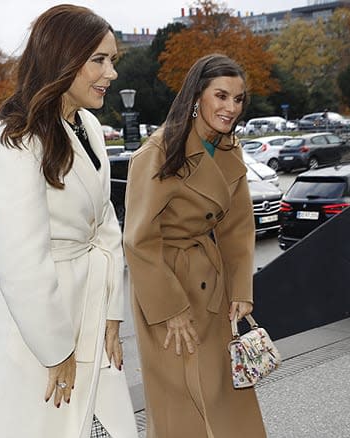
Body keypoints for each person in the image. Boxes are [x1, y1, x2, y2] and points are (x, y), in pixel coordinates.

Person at [0, 4, 138, 438]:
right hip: (38, 333)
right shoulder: (13, 140)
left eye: (113, 60)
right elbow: (19, 262)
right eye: (99, 60)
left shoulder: (89, 125)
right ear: (62, 59)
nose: (111, 73)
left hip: (91, 314)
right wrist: (56, 350)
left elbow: (107, 222)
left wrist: (113, 313)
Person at [123, 54, 266, 437]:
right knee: (180, 402)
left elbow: (238, 227)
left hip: (213, 286)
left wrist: (241, 289)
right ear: (196, 96)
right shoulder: (157, 153)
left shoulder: (230, 149)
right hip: (167, 287)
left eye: (238, 99)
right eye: (221, 96)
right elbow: (138, 240)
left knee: (224, 394)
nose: (231, 107)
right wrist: (170, 308)